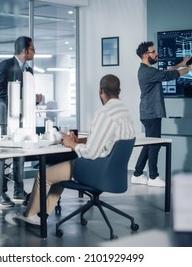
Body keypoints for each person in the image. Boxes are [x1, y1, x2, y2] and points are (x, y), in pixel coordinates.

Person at [8, 74, 135, 226]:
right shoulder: (125, 112)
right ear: (118, 91)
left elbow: (90, 153)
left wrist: (72, 144)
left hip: (96, 170)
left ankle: (31, 215)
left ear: (100, 90)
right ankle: (42, 215)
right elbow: (109, 141)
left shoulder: (104, 114)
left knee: (44, 175)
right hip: (114, 173)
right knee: (58, 176)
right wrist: (79, 141)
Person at [131, 41, 192, 187]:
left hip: (149, 112)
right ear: (145, 55)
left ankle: (137, 174)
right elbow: (169, 76)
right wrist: (189, 68)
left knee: (149, 144)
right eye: (153, 51)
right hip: (151, 113)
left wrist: (181, 63)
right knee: (154, 145)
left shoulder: (147, 70)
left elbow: (165, 73)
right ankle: (153, 177)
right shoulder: (147, 71)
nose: (156, 54)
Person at [0, 36, 35, 207]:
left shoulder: (29, 70)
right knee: (4, 154)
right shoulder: (6, 64)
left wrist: (34, 99)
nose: (34, 51)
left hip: (22, 118)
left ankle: (18, 190)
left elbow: (27, 93)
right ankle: (0, 193)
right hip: (6, 116)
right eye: (32, 48)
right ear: (24, 50)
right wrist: (17, 100)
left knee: (21, 153)